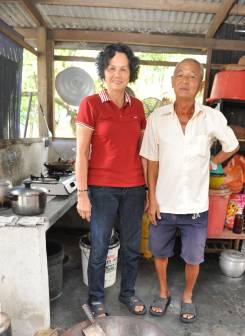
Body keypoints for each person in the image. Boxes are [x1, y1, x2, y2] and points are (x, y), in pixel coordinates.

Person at [140, 58, 239, 323]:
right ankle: (163, 293)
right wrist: (152, 197)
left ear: (201, 84)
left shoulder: (211, 117)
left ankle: (187, 297)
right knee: (160, 253)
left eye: (192, 76)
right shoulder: (157, 118)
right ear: (172, 81)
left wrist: (212, 162)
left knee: (193, 258)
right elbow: (151, 159)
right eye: (180, 75)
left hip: (195, 207)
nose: (185, 80)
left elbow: (232, 144)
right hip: (163, 203)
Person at [75, 43, 147, 318]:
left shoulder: (138, 107)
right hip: (101, 189)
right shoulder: (91, 104)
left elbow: (142, 152)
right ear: (103, 71)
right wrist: (82, 193)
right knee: (100, 248)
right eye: (112, 68)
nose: (117, 74)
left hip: (134, 189)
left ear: (131, 73)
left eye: (123, 69)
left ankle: (127, 294)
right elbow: (81, 153)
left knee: (131, 247)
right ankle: (96, 299)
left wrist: (148, 189)